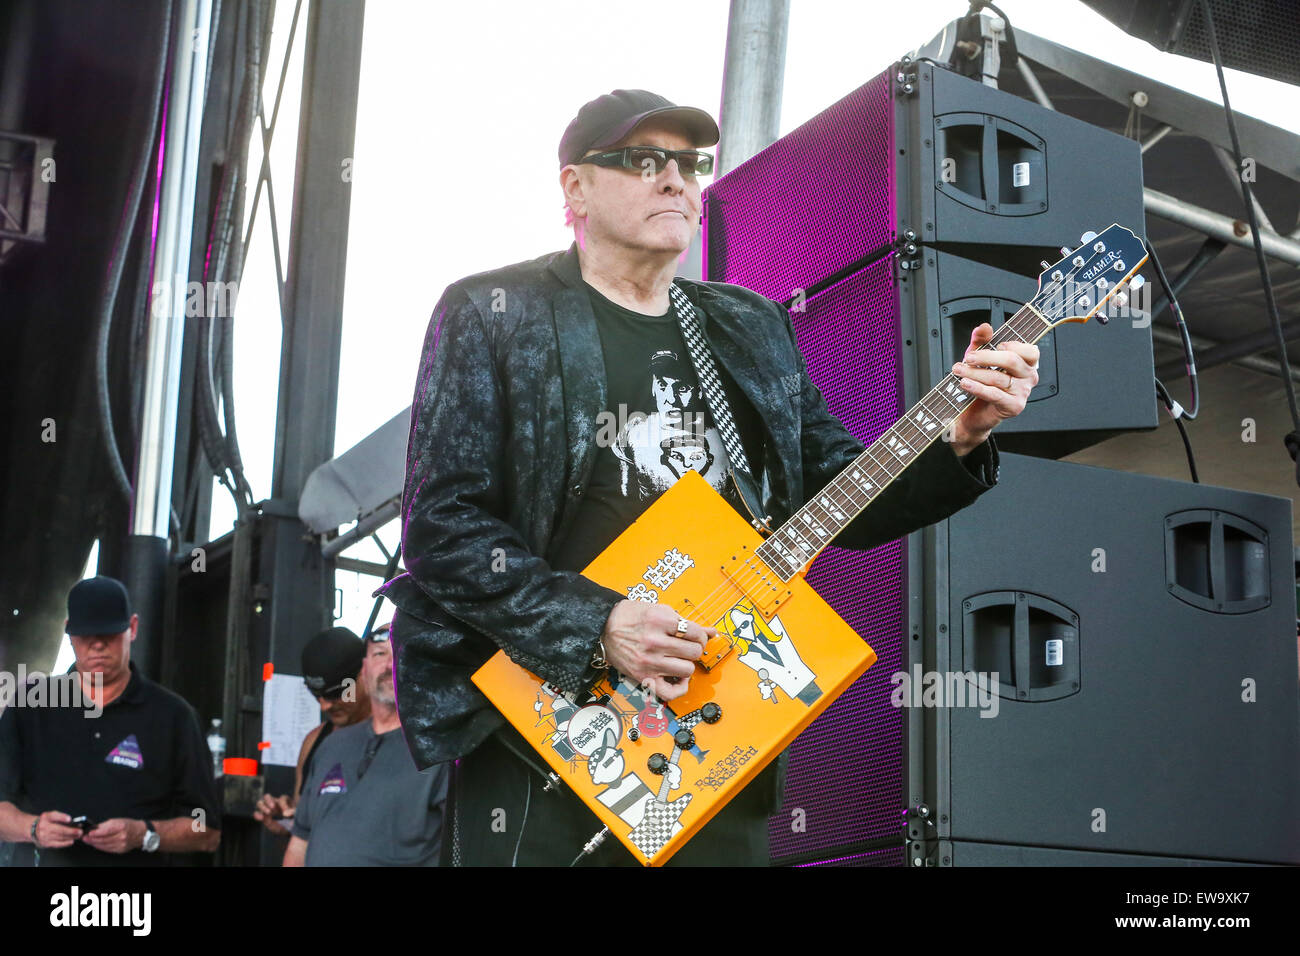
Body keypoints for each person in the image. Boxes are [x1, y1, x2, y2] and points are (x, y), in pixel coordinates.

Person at [380, 89, 1039, 866]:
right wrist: (597, 625)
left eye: (690, 164)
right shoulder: (495, 311)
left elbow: (843, 496)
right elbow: (442, 525)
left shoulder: (748, 324)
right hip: (548, 739)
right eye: (641, 160)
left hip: (714, 732)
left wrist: (959, 435)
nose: (675, 180)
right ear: (575, 187)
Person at [0, 576, 221, 865]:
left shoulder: (174, 717)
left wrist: (144, 834)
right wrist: (33, 828)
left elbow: (207, 831)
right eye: (87, 637)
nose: (98, 647)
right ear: (68, 632)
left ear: (132, 628)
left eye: (109, 635)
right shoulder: (29, 707)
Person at [283, 625, 447, 866]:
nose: (390, 664)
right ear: (365, 669)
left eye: (400, 652)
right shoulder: (329, 746)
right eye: (379, 654)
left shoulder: (444, 749)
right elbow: (300, 843)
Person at [253, 626, 372, 837]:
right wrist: (289, 823)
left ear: (365, 673)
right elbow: (305, 839)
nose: (324, 706)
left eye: (336, 694)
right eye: (316, 695)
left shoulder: (401, 737)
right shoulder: (314, 743)